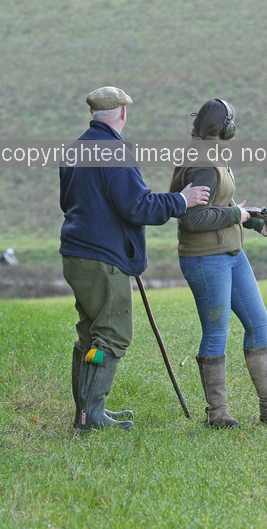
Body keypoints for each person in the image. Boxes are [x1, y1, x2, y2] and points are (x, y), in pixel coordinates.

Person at [60, 86, 210, 431]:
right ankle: (91, 416)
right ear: (123, 113)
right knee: (111, 335)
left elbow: (70, 202)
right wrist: (181, 200)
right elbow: (137, 206)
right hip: (101, 258)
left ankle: (86, 412)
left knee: (90, 335)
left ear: (93, 113)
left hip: (76, 254)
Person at [169, 98, 267, 427]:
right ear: (225, 126)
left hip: (232, 253)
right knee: (216, 331)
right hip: (206, 258)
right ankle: (217, 413)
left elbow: (224, 203)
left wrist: (255, 222)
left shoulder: (213, 154)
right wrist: (237, 214)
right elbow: (193, 218)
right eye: (233, 121)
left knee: (258, 321)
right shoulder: (204, 162)